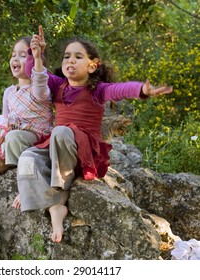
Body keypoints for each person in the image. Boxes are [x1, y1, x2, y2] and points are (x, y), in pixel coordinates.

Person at [15, 26, 173, 243]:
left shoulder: (97, 90)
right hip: (57, 148)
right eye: (66, 56)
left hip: (82, 152)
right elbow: (37, 75)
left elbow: (120, 89)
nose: (70, 60)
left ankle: (60, 197)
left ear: (92, 65)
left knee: (61, 131)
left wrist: (142, 90)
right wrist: (37, 55)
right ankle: (40, 195)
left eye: (78, 56)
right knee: (28, 157)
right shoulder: (58, 84)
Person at [0, 35, 53, 184]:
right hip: (14, 133)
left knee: (14, 137)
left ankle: (24, 176)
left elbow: (40, 79)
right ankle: (0, 163)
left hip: (37, 136)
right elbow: (6, 119)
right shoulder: (9, 92)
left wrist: (38, 58)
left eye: (22, 55)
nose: (15, 58)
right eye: (14, 55)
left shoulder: (39, 89)